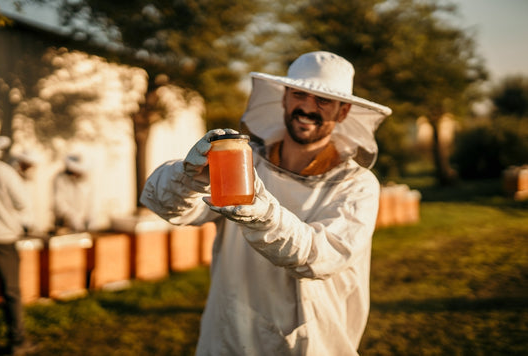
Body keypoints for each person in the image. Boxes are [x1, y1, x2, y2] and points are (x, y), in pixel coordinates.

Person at [140, 51, 392, 355]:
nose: (307, 107)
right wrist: (188, 176)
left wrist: (264, 216)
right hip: (229, 336)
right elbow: (172, 208)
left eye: (323, 100)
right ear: (284, 98)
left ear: (343, 112)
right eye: (299, 94)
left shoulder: (357, 185)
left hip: (309, 343)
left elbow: (321, 256)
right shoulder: (245, 165)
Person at [0, 135, 38, 355]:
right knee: (11, 291)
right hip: (3, 240)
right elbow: (22, 203)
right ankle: (18, 341)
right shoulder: (3, 172)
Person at [52, 154, 93, 233]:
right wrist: (71, 217)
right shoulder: (60, 179)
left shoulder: (86, 181)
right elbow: (60, 203)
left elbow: (90, 202)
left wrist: (88, 220)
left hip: (83, 225)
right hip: (65, 225)